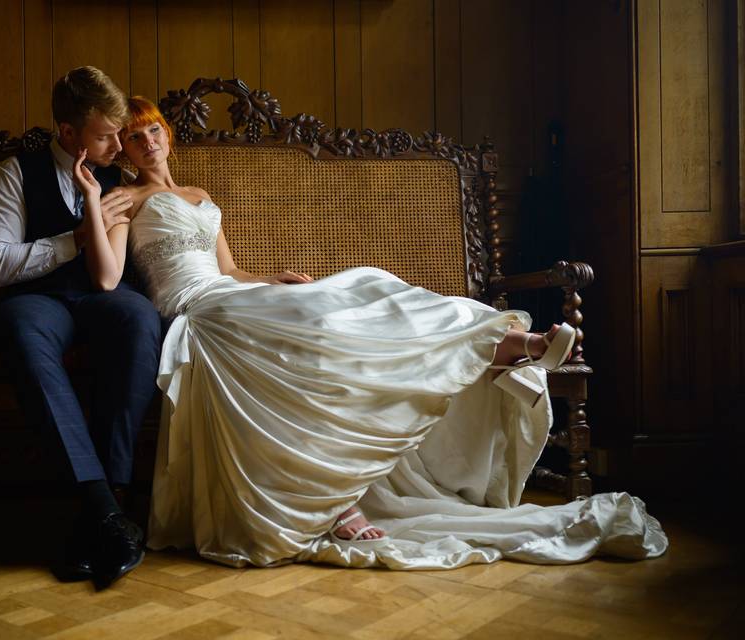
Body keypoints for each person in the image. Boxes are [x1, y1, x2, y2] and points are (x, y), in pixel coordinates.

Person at [72, 95, 667, 570]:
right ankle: (336, 498)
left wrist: (272, 278)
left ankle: (515, 343)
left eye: (153, 131)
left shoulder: (201, 196)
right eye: (133, 137)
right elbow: (107, 278)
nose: (147, 142)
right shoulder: (126, 197)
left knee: (360, 292)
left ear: (168, 136)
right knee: (313, 332)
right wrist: (97, 204)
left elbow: (230, 270)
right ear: (120, 151)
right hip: (195, 311)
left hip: (231, 293)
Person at [0, 68, 161, 589]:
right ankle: (101, 508)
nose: (118, 144)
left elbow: (120, 270)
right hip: (39, 300)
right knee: (19, 327)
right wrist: (74, 239)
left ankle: (110, 504)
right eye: (105, 135)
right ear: (67, 132)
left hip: (103, 300)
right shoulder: (16, 173)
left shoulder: (120, 183)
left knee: (137, 317)